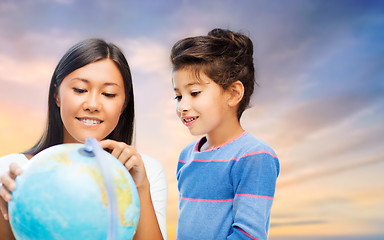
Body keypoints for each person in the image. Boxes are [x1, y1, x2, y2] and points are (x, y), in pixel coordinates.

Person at [0, 39, 167, 240]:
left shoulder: (145, 171)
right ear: (57, 95)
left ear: (124, 105)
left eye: (108, 93)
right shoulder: (12, 171)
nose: (93, 104)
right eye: (80, 90)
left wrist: (140, 188)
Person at [170, 28, 280, 239]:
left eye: (194, 93)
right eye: (178, 96)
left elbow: (249, 235)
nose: (182, 106)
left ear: (233, 93)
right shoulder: (186, 156)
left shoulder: (254, 155)